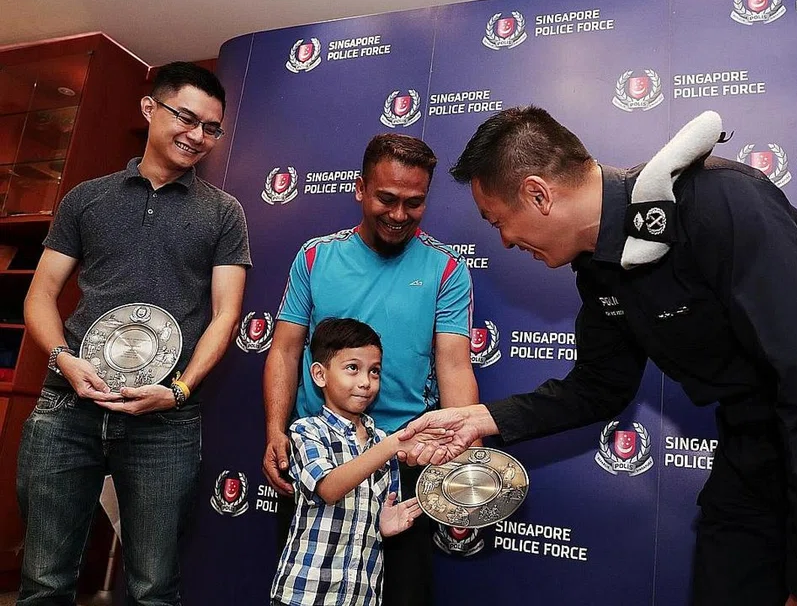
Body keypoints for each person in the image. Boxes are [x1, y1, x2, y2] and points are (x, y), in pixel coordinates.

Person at [400, 106, 797, 606]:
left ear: (538, 194)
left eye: (498, 220)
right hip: (757, 436)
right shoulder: (597, 265)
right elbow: (598, 386)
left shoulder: (720, 201)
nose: (505, 241)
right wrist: (481, 418)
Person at [17, 61, 251, 605]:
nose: (198, 136)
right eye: (186, 118)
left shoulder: (224, 213)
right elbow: (40, 295)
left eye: (211, 128)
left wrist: (179, 390)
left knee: (153, 587)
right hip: (67, 409)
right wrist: (62, 359)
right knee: (44, 581)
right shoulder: (86, 198)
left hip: (163, 419)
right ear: (150, 109)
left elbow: (225, 315)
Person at [262, 133, 479, 605]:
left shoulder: (447, 270)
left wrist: (463, 463)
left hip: (404, 467)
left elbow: (455, 367)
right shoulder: (316, 257)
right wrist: (276, 431)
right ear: (360, 189)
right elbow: (283, 350)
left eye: (414, 203)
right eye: (387, 198)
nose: (399, 215)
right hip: (324, 461)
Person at [272, 318, 437, 606]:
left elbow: (380, 506)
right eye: (353, 368)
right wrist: (391, 445)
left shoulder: (381, 440)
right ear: (320, 375)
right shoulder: (306, 431)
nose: (365, 382)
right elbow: (329, 487)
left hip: (360, 596)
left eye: (374, 372)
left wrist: (385, 523)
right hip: (306, 594)